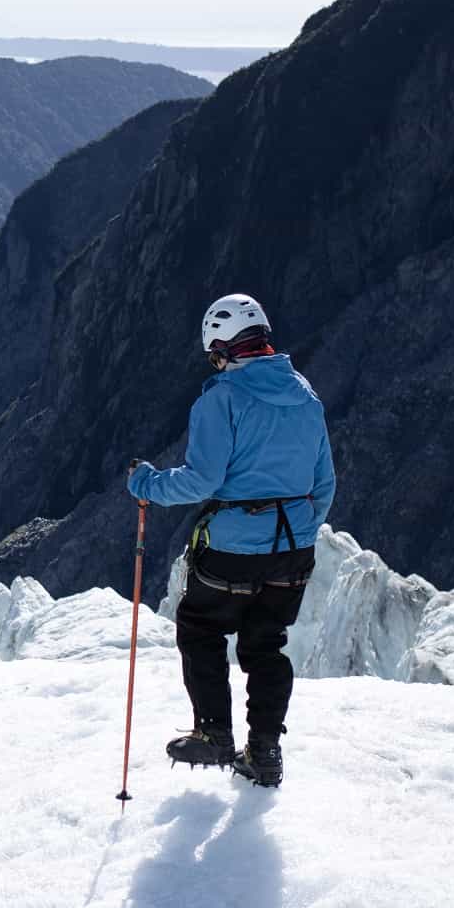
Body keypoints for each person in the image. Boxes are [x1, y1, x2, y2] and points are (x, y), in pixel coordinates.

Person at [127, 295, 336, 787]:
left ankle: (214, 734)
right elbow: (324, 482)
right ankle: (264, 753)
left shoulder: (221, 399)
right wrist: (300, 531)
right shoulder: (305, 395)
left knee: (200, 629)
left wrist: (147, 484)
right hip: (293, 551)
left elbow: (201, 481)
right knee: (266, 646)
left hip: (231, 551)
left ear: (220, 347)